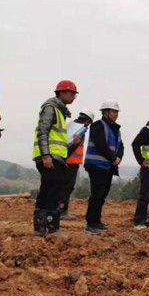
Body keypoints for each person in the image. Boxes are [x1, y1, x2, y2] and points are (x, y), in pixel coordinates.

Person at [32, 80, 78, 237]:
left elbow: (57, 140)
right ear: (62, 93)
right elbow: (43, 131)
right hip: (49, 157)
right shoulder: (51, 108)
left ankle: (40, 228)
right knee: (54, 190)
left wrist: (73, 145)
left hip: (54, 157)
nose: (73, 97)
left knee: (47, 189)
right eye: (72, 93)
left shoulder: (59, 111)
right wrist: (46, 155)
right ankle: (52, 228)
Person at [84, 100, 123, 235]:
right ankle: (91, 223)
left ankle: (97, 220)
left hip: (107, 167)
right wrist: (114, 159)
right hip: (96, 165)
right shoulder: (97, 126)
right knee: (97, 194)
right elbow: (101, 145)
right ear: (105, 112)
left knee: (102, 194)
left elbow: (121, 146)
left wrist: (118, 158)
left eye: (117, 112)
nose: (116, 114)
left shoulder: (115, 129)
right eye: (114, 111)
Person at [59, 110, 95, 221]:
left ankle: (58, 209)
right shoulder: (81, 129)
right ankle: (62, 211)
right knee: (67, 187)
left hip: (64, 160)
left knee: (62, 186)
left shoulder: (70, 125)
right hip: (71, 162)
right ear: (88, 121)